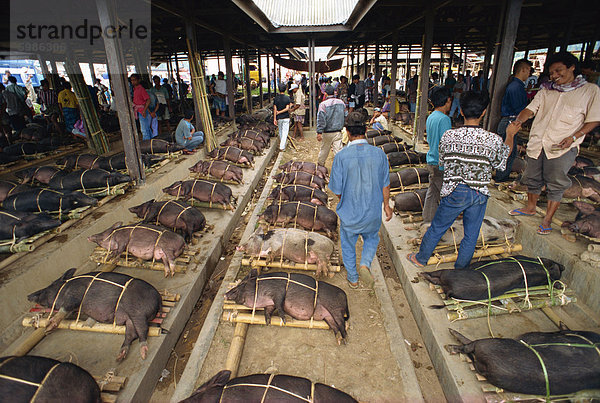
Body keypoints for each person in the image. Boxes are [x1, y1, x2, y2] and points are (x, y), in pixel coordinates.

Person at [408, 91, 514, 269]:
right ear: (483, 112)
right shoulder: (493, 140)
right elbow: (501, 162)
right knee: (471, 235)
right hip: (479, 193)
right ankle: (461, 268)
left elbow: (443, 161)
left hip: (455, 191)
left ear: (462, 112)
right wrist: (510, 135)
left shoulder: (448, 136)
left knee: (438, 226)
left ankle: (421, 258)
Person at [508, 51, 600, 234]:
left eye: (559, 70)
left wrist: (574, 137)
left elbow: (594, 119)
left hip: (562, 147)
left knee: (555, 183)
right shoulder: (546, 90)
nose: (555, 75)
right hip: (538, 143)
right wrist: (519, 120)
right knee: (532, 178)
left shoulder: (589, 91)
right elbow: (530, 109)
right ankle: (530, 207)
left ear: (572, 67)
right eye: (551, 73)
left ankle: (547, 219)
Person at [329, 111, 393, 289]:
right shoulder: (379, 154)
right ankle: (365, 263)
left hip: (349, 214)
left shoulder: (341, 157)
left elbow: (337, 190)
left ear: (347, 132)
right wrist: (386, 206)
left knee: (348, 244)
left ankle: (353, 278)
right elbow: (385, 184)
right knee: (372, 238)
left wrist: (347, 199)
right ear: (366, 129)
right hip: (372, 213)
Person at [494, 59, 532, 182]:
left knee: (510, 152)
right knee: (507, 153)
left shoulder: (516, 85)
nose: (529, 74)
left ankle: (502, 176)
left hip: (510, 121)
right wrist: (529, 114)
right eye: (528, 71)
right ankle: (501, 178)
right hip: (510, 122)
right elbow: (519, 108)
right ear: (523, 70)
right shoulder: (516, 87)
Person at [422, 87, 452, 223]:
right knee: (447, 196)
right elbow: (447, 144)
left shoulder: (431, 116)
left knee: (432, 192)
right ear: (447, 101)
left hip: (431, 160)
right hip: (441, 164)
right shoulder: (444, 119)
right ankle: (444, 224)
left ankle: (427, 220)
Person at [317, 85, 346, 166]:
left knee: (324, 150)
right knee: (338, 151)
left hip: (327, 132)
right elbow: (345, 115)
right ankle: (342, 167)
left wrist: (319, 132)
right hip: (338, 131)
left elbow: (321, 119)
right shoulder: (341, 103)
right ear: (334, 92)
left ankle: (320, 167)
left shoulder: (323, 105)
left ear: (325, 94)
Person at [130, 73, 153, 140]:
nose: (133, 82)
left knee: (144, 130)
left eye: (134, 80)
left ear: (138, 80)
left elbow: (148, 100)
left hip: (142, 111)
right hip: (139, 111)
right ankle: (151, 143)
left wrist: (144, 110)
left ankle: (147, 145)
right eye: (132, 80)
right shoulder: (134, 89)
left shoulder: (141, 89)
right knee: (147, 128)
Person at [273, 83, 292, 152]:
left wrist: (275, 118)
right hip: (286, 117)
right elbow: (287, 108)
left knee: (281, 131)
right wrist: (280, 112)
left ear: (278, 89)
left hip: (279, 118)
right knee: (285, 132)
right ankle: (282, 146)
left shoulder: (276, 98)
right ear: (286, 89)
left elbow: (275, 109)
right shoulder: (287, 98)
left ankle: (282, 144)